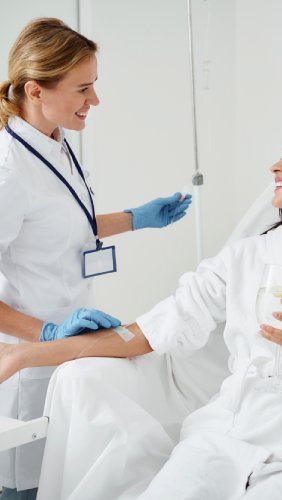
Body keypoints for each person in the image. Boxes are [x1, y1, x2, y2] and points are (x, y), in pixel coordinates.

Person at [2, 119, 282, 499]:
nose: (275, 166)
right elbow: (148, 332)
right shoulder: (246, 257)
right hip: (232, 430)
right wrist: (25, 353)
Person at [0, 17, 192, 500]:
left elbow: (61, 225)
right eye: (83, 88)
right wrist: (44, 333)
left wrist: (135, 218)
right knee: (26, 485)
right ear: (35, 90)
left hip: (69, 353)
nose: (95, 100)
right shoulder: (7, 169)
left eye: (95, 85)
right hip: (27, 366)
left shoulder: (57, 143)